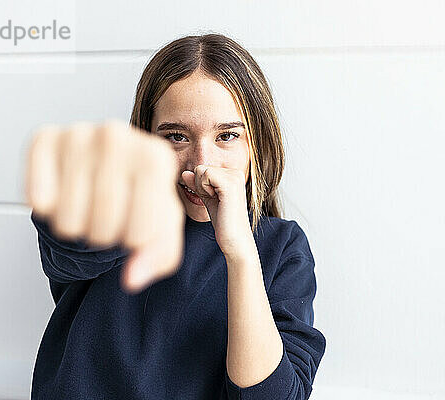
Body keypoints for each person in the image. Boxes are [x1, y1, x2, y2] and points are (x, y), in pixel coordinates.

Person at [26, 33, 326, 399]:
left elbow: (273, 395)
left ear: (257, 146)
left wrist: (240, 253)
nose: (201, 164)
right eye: (176, 137)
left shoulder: (282, 247)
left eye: (227, 136)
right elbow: (63, 239)